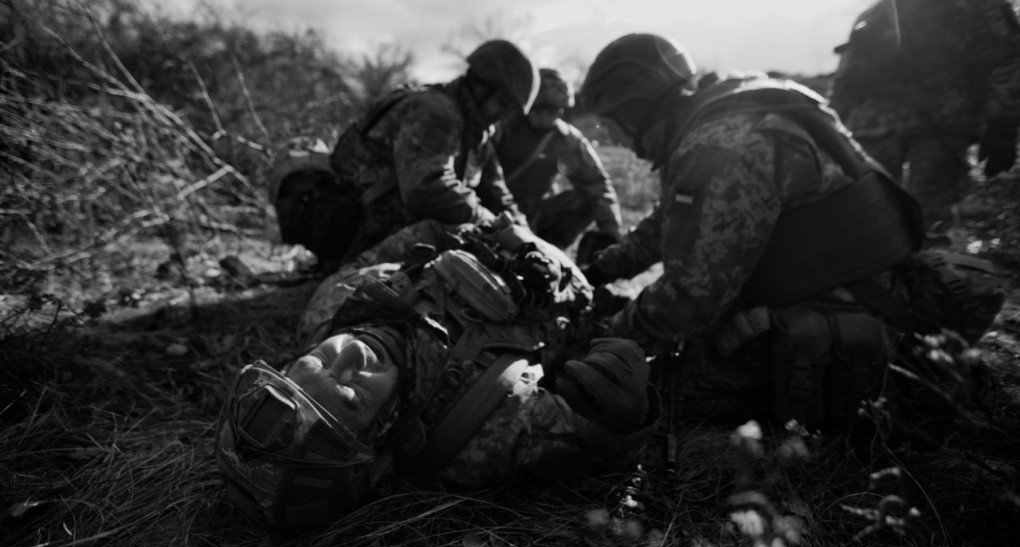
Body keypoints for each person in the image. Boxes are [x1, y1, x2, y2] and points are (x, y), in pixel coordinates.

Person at [576, 33, 1004, 431]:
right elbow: (670, 222)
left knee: (667, 386)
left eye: (613, 124)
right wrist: (600, 270)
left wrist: (604, 339)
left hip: (849, 305)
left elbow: (690, 297)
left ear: (638, 107)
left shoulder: (715, 145)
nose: (618, 140)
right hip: (869, 287)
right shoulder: (737, 106)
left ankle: (920, 383)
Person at [215, 215, 657, 527]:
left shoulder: (330, 306)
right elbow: (601, 445)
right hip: (575, 297)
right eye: (353, 395)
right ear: (383, 436)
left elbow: (398, 245)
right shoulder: (481, 429)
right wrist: (629, 410)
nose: (353, 357)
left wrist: (458, 226)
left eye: (316, 362)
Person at [269, 39, 539, 269]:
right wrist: (490, 223)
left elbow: (498, 194)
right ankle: (352, 274)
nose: (502, 116)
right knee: (454, 231)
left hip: (383, 225)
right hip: (353, 226)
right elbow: (426, 188)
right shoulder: (435, 112)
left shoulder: (477, 133)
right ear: (482, 87)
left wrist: (527, 239)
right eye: (502, 104)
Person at [828, 0, 1020, 229]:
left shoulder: (978, 8)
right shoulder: (879, 13)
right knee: (866, 214)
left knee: (927, 219)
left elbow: (1004, 62)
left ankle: (921, 261)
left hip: (939, 130)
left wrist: (1003, 123)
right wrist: (829, 130)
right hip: (880, 129)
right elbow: (848, 77)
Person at [493, 67, 624, 249]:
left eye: (553, 111)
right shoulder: (502, 127)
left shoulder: (566, 139)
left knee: (586, 199)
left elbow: (597, 184)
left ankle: (548, 251)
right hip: (493, 207)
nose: (546, 118)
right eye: (539, 110)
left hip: (537, 214)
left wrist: (611, 234)